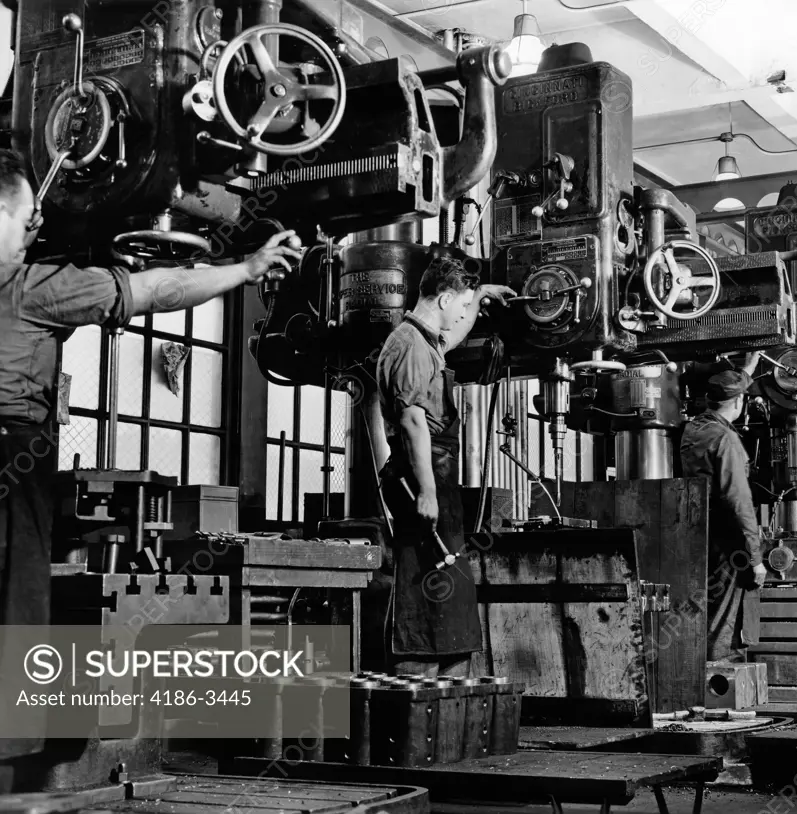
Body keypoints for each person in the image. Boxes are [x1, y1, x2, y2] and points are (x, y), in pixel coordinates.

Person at [0, 147, 303, 769]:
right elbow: (158, 287)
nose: (35, 226)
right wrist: (246, 268)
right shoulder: (29, 289)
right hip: (13, 458)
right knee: (15, 610)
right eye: (27, 214)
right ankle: (11, 762)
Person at [375, 255, 514, 678]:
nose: (460, 314)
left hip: (437, 470)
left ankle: (446, 693)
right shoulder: (409, 345)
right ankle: (418, 688)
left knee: (449, 589)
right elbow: (413, 420)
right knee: (428, 586)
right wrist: (428, 492)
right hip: (425, 474)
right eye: (460, 304)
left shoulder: (424, 339)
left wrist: (481, 297)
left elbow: (452, 336)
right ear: (443, 298)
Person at [678, 357, 767, 663]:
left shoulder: (693, 430)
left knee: (705, 609)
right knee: (724, 622)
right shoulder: (726, 439)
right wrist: (754, 558)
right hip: (728, 543)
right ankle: (717, 680)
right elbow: (738, 500)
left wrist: (749, 366)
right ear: (739, 401)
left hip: (697, 533)